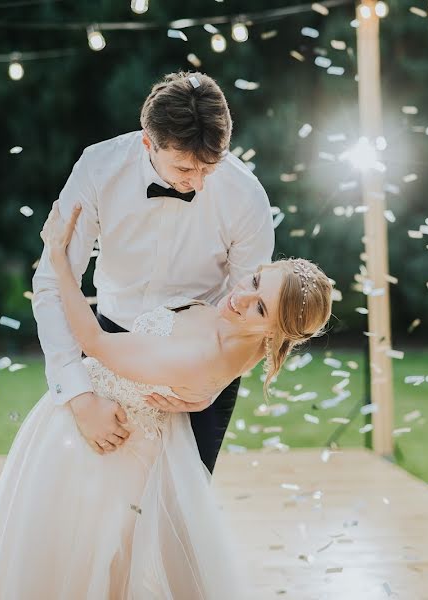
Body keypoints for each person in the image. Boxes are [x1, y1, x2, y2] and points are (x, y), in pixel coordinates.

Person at [0, 201, 333, 598]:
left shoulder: (200, 357)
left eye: (259, 307)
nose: (241, 297)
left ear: (276, 331)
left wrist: (58, 263)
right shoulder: (252, 345)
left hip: (101, 442)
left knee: (70, 555)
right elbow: (214, 381)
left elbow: (94, 342)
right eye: (255, 280)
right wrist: (199, 399)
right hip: (133, 435)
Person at [31, 71, 274, 472]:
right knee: (101, 506)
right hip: (110, 343)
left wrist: (212, 383)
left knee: (181, 513)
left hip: (204, 357)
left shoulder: (247, 196)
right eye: (183, 168)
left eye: (208, 169)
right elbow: (53, 283)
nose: (196, 182)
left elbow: (254, 317)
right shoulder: (98, 168)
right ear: (148, 141)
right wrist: (78, 396)